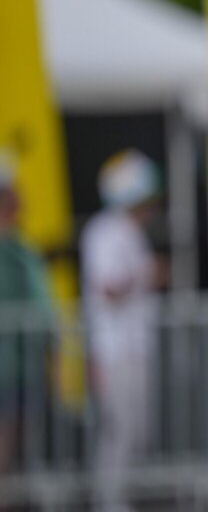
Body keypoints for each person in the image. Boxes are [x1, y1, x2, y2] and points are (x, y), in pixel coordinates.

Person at [81, 150, 165, 512]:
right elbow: (109, 287)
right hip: (115, 350)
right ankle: (110, 502)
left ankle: (120, 498)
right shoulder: (105, 231)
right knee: (120, 430)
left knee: (137, 430)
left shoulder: (128, 232)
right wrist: (148, 274)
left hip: (135, 347)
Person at [0, 153, 54, 478]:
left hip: (24, 369)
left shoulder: (22, 249)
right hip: (7, 369)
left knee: (17, 455)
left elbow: (42, 308)